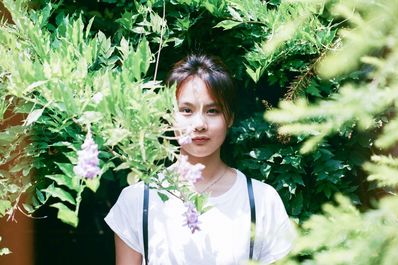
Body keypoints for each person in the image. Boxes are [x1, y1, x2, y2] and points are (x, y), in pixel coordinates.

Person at [104, 54, 296, 265]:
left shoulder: (262, 201)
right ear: (168, 116)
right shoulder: (138, 200)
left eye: (212, 111)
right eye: (186, 110)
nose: (199, 124)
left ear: (229, 117)